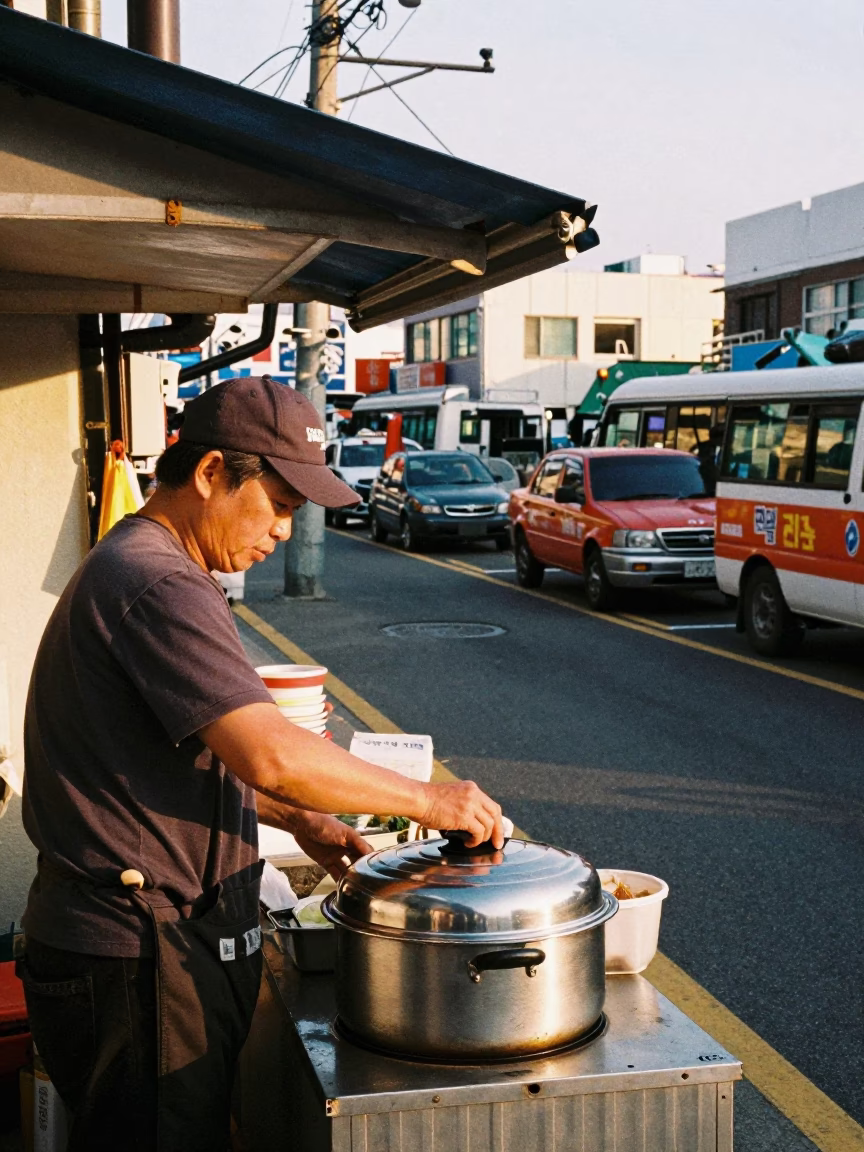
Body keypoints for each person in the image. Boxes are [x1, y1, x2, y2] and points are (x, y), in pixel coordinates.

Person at [18, 376, 503, 1152]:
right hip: (135, 956)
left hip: (130, 948)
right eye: (278, 505)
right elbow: (271, 753)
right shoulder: (161, 579)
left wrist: (305, 819)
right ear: (211, 473)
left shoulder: (141, 564)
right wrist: (430, 801)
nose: (283, 531)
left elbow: (187, 761)